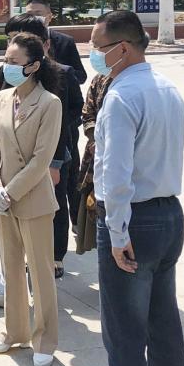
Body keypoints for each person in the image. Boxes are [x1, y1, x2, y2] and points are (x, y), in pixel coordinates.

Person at [74, 10, 184, 366]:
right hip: (168, 215)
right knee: (164, 329)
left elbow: (114, 175)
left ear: (123, 48)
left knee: (124, 336)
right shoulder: (166, 88)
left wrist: (117, 232)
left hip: (132, 222)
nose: (95, 56)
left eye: (99, 47)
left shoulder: (121, 98)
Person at [0, 31, 63, 366]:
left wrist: (10, 191)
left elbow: (41, 159)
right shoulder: (2, 99)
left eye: (13, 61)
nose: (7, 66)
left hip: (33, 200)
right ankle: (13, 332)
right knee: (10, 269)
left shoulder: (49, 103)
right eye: (6, 59)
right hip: (2, 199)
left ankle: (44, 338)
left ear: (32, 65)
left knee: (40, 273)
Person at [0, 14, 80, 308]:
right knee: (11, 240)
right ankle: (10, 290)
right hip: (10, 167)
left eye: (23, 39)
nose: (11, 57)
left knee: (52, 208)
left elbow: (69, 119)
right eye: (10, 40)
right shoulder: (7, 77)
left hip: (50, 157)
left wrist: (54, 162)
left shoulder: (61, 78)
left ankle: (54, 258)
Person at [72, 72, 112, 256]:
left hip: (123, 161)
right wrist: (95, 138)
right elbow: (87, 114)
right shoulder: (99, 80)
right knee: (93, 206)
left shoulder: (133, 84)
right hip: (95, 154)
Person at [25, 0, 86, 85]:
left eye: (38, 14)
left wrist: (51, 63)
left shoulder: (66, 42)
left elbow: (80, 77)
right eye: (29, 14)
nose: (33, 18)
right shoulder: (18, 41)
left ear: (49, 17)